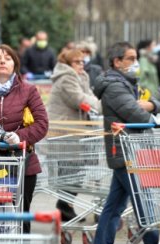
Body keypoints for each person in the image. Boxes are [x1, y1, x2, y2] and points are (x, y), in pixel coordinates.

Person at [92, 41, 160, 244]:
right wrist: (155, 113)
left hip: (130, 151)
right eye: (130, 58)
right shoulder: (115, 86)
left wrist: (149, 105)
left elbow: (144, 105)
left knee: (116, 204)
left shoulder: (124, 83)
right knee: (144, 204)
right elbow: (137, 115)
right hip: (127, 152)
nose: (135, 62)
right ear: (117, 61)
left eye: (135, 58)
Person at [0, 44, 49, 233]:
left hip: (23, 164)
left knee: (20, 216)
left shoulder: (28, 90)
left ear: (15, 63)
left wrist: (19, 137)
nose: (2, 61)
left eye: (8, 58)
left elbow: (42, 124)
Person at [47, 49, 101, 221]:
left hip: (75, 130)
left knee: (75, 171)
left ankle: (66, 205)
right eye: (77, 62)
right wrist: (103, 105)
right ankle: (65, 205)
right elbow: (79, 99)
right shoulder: (66, 78)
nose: (81, 65)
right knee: (70, 171)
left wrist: (96, 104)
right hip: (64, 130)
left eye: (83, 61)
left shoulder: (82, 76)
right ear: (68, 64)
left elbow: (89, 96)